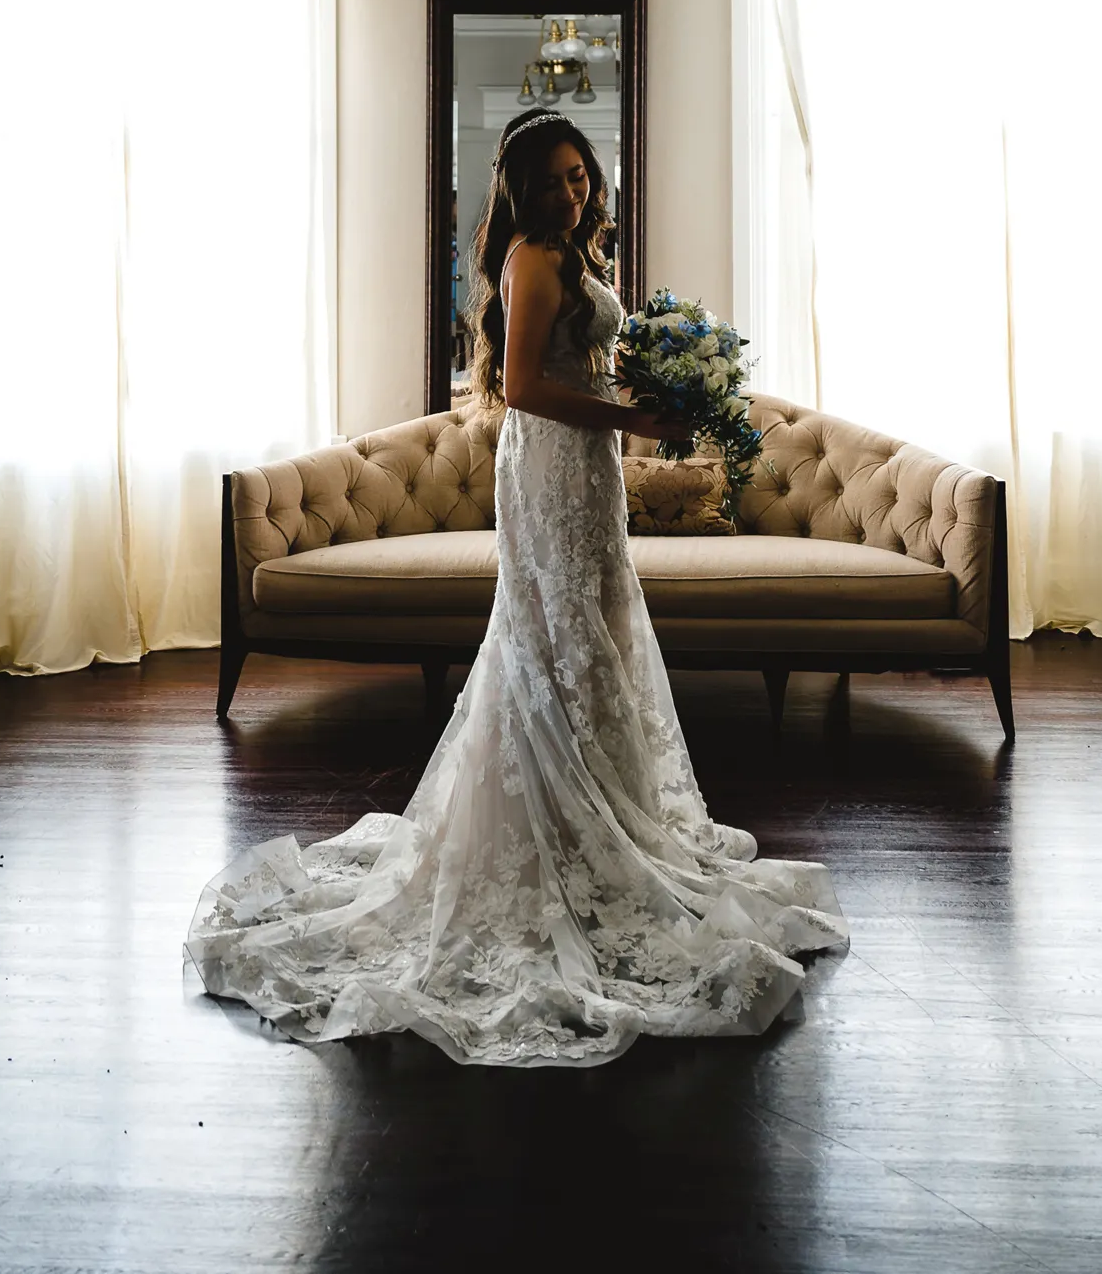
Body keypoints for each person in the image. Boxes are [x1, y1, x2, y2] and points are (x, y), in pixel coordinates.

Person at [186, 106, 847, 1066]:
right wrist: (634, 415)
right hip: (551, 462)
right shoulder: (534, 257)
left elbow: (584, 364)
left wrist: (660, 391)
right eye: (554, 180)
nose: (572, 191)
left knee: (597, 635)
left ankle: (607, 823)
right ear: (524, 190)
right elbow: (530, 387)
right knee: (553, 636)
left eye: (581, 176)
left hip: (590, 467)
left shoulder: (579, 253)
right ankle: (555, 832)